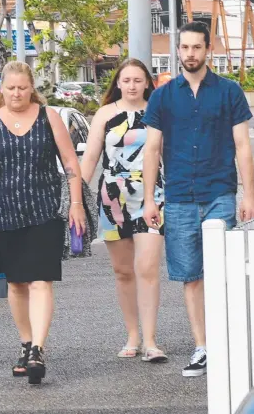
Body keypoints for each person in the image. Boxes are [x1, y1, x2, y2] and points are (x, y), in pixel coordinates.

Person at [142, 21, 254, 377]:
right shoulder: (163, 96)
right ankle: (202, 347)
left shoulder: (229, 92)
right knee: (190, 276)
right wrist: (149, 199)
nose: (190, 54)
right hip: (178, 199)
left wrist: (248, 192)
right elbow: (152, 149)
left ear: (209, 50)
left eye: (197, 47)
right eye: (185, 47)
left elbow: (242, 146)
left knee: (223, 272)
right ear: (178, 51)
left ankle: (231, 345)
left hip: (219, 192)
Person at [0, 61, 85, 385]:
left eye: (22, 87)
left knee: (40, 280)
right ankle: (25, 341)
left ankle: (38, 349)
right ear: (1, 90)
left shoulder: (49, 118)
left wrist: (76, 204)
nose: (16, 93)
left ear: (31, 88)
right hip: (5, 213)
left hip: (44, 211)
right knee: (16, 283)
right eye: (10, 88)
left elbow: (71, 163)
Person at [81, 59, 167, 363]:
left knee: (148, 268)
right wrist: (77, 197)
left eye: (137, 80)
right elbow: (91, 157)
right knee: (123, 271)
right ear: (118, 82)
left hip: (152, 195)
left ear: (147, 83)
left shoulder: (158, 111)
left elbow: (167, 153)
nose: (132, 85)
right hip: (113, 196)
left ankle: (152, 340)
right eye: (126, 80)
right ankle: (133, 334)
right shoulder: (105, 114)